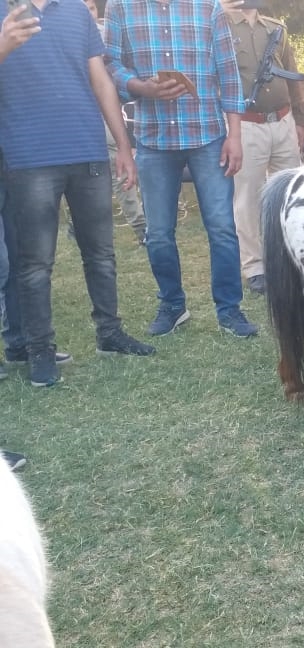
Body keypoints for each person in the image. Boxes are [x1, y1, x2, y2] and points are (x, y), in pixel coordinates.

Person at [0, 0, 155, 387]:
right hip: (28, 156)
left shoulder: (76, 11)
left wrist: (123, 144)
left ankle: (110, 333)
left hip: (87, 150)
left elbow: (100, 78)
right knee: (35, 264)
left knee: (101, 253)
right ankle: (39, 351)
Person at [104, 0, 259, 338]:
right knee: (158, 233)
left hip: (207, 136)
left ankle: (229, 310)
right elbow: (110, 62)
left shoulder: (208, 7)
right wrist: (138, 86)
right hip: (152, 138)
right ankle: (173, 305)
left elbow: (228, 71)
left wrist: (235, 135)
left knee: (221, 228)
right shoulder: (120, 7)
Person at [227, 0, 304, 296]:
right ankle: (255, 266)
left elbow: (294, 78)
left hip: (283, 121)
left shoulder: (277, 29)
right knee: (247, 198)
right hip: (246, 125)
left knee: (291, 194)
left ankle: (293, 257)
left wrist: (299, 121)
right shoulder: (220, 26)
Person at [84, 0, 146, 246]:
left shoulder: (104, 35)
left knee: (117, 162)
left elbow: (117, 68)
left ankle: (140, 226)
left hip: (105, 109)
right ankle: (76, 224)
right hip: (73, 114)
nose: (87, 13)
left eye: (90, 7)